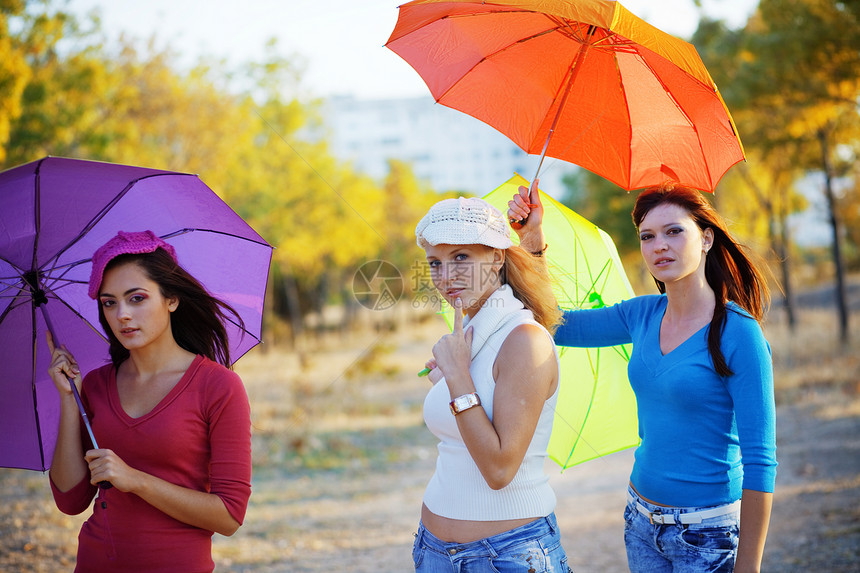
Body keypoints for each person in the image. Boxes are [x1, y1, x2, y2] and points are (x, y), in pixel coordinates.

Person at [507, 182, 777, 572]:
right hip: (641, 522)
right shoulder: (642, 314)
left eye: (674, 231)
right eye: (647, 236)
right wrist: (532, 239)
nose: (659, 245)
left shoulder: (739, 333)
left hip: (707, 533)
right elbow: (555, 325)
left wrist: (748, 567)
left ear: (706, 238)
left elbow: (761, 460)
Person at [47, 230, 252, 573]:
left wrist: (136, 480)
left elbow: (229, 516)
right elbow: (69, 500)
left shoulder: (218, 387)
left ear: (171, 299)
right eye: (109, 302)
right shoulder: (96, 385)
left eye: (136, 298)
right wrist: (70, 399)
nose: (122, 315)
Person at [413, 197, 572, 572]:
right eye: (435, 262)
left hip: (508, 555)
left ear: (497, 259)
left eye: (462, 257)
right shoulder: (472, 334)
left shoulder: (525, 340)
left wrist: (457, 379)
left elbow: (500, 471)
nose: (446, 276)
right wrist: (448, 378)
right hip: (432, 550)